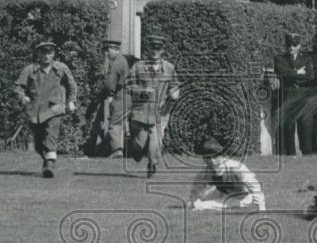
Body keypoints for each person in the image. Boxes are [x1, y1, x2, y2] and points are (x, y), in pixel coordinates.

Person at [14, 41, 78, 178]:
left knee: (51, 133)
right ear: (38, 54)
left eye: (49, 53)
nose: (46, 56)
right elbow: (18, 87)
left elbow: (72, 85)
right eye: (43, 53)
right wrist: (22, 97)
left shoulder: (61, 68)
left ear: (54, 54)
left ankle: (49, 164)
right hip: (35, 111)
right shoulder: (30, 70)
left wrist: (71, 101)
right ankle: (47, 160)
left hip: (54, 108)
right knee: (38, 143)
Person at [127, 35, 180, 176]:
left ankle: (152, 164)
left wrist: (174, 93)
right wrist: (142, 92)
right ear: (148, 48)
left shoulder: (169, 68)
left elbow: (174, 85)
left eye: (158, 48)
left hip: (160, 113)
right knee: (139, 144)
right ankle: (136, 151)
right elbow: (129, 85)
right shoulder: (139, 67)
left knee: (155, 144)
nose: (155, 51)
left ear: (162, 50)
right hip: (141, 113)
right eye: (153, 48)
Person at [189, 137, 266, 212]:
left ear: (222, 156)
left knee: (206, 205)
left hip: (242, 198)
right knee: (197, 202)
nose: (212, 161)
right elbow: (195, 190)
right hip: (222, 195)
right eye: (208, 158)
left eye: (215, 157)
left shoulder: (236, 168)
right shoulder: (206, 173)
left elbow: (253, 185)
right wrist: (195, 203)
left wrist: (261, 207)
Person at [273, 32, 315, 156]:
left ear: (299, 46)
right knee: (288, 126)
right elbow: (282, 73)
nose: (291, 47)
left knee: (305, 126)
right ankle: (290, 154)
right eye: (289, 45)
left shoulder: (306, 58)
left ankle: (307, 154)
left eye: (294, 45)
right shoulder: (279, 58)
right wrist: (298, 72)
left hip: (303, 95)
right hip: (288, 95)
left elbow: (310, 76)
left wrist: (291, 73)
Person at [93, 38, 129, 158]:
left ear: (116, 50)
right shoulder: (122, 61)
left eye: (108, 50)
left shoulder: (116, 64)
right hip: (126, 94)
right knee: (121, 121)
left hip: (120, 95)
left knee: (115, 122)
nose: (106, 53)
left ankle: (116, 150)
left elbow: (110, 84)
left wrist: (110, 95)